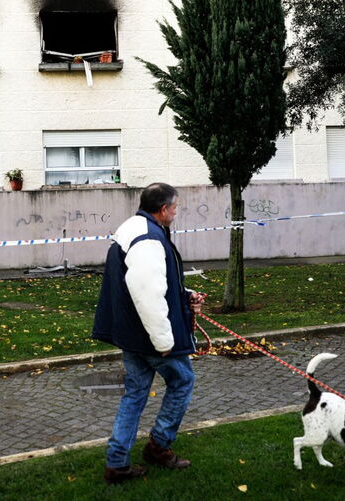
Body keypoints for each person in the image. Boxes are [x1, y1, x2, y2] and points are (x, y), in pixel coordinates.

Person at [92, 182, 204, 484]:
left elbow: (153, 283)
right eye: (176, 207)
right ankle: (159, 445)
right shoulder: (149, 239)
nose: (176, 212)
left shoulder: (135, 229)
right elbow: (146, 294)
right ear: (164, 209)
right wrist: (164, 341)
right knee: (183, 380)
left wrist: (186, 295)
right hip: (148, 337)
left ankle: (117, 463)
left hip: (131, 333)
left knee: (135, 393)